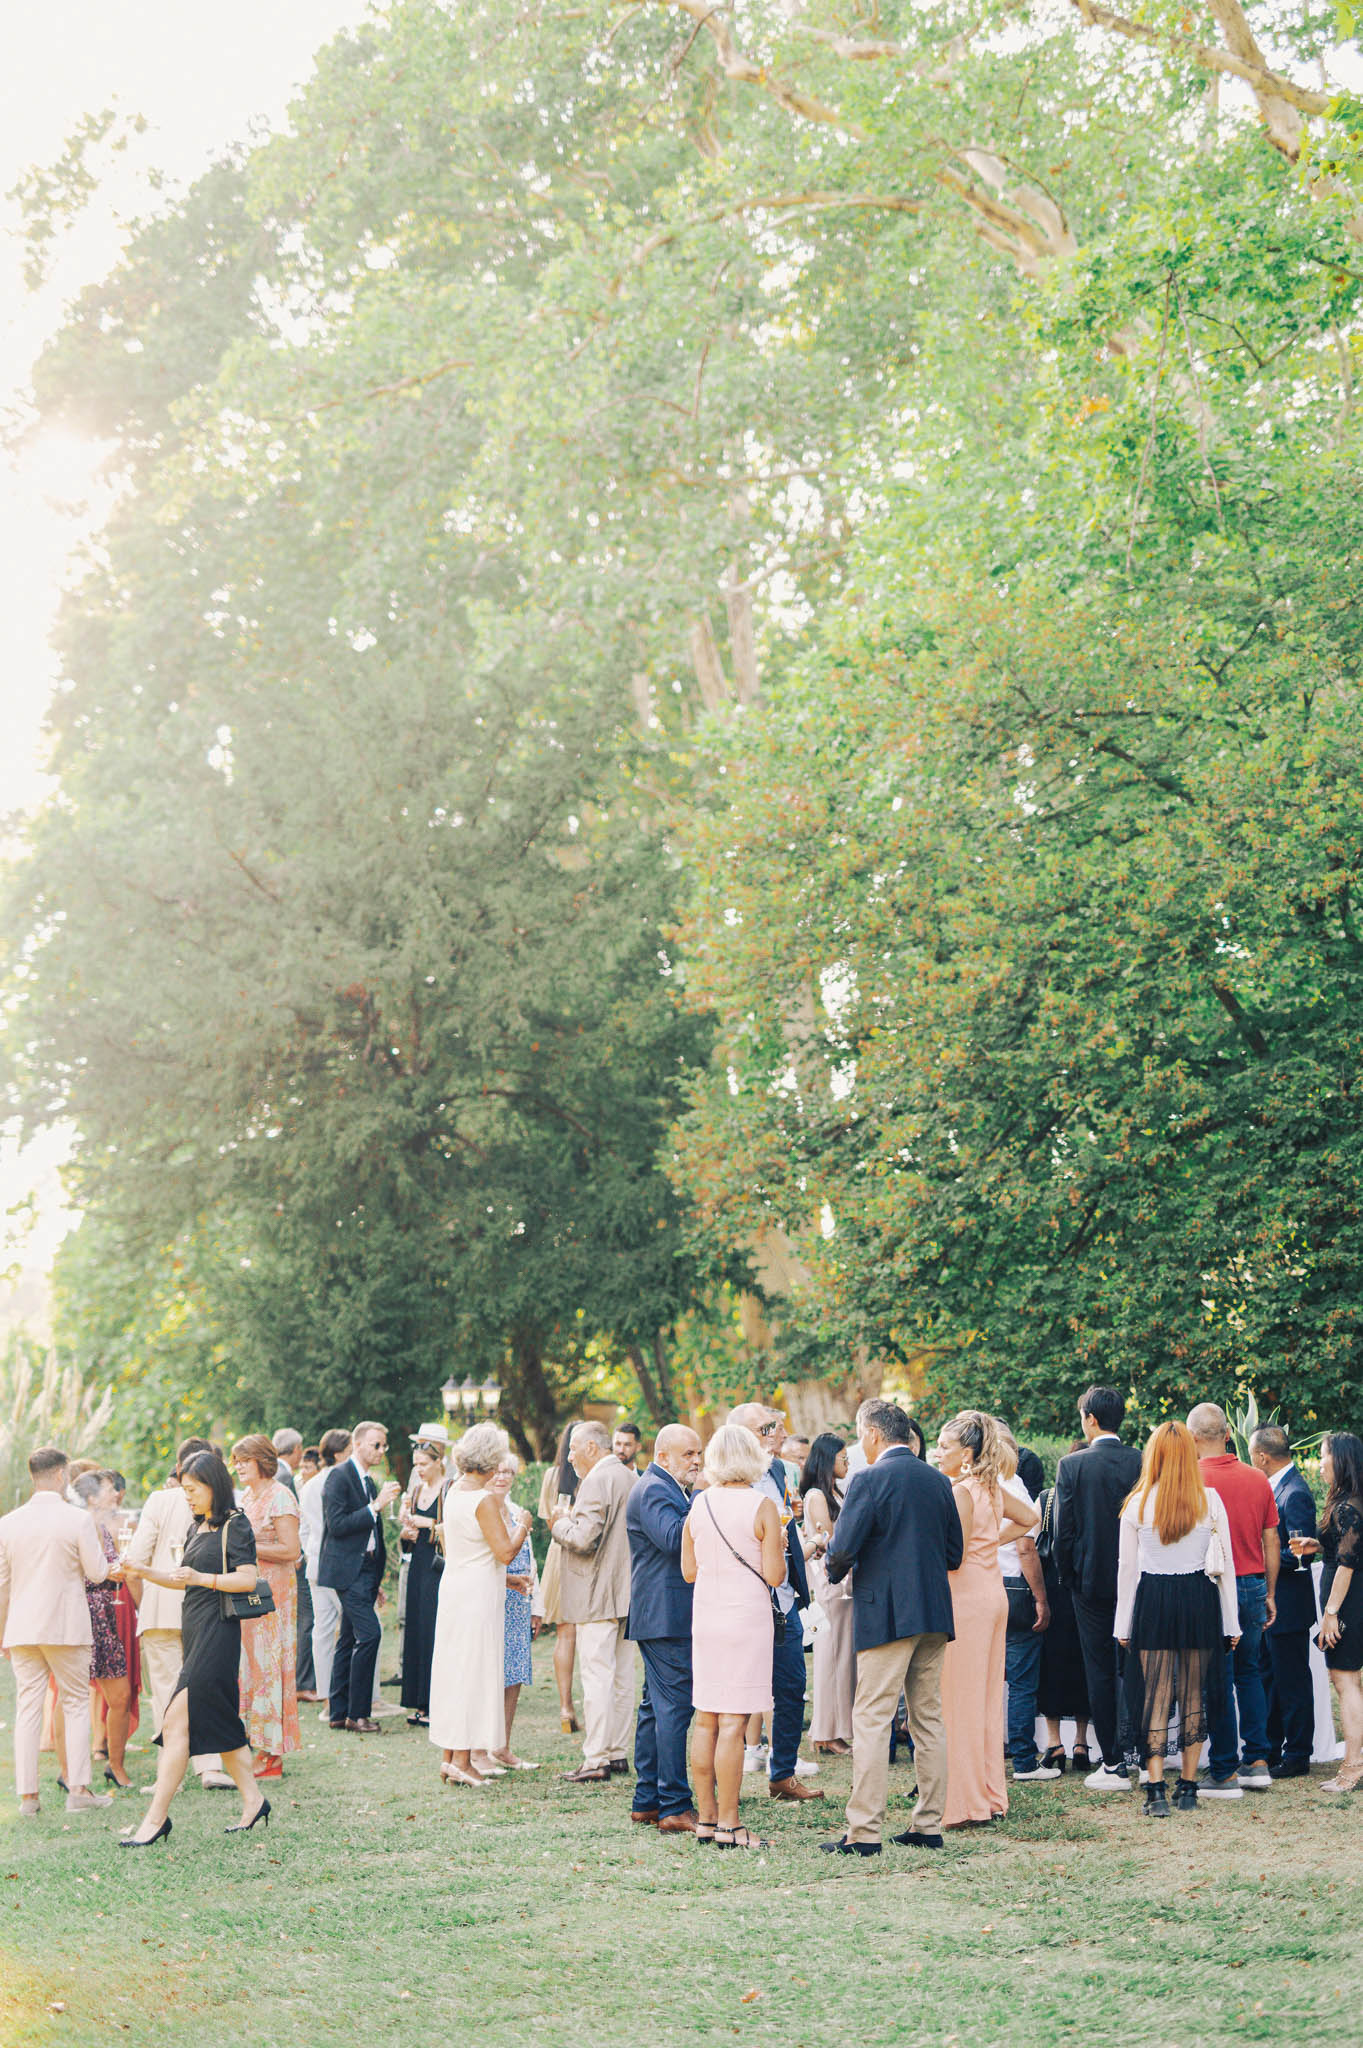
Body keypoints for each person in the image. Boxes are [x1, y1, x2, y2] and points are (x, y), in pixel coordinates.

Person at [821, 1399, 964, 1855]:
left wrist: (831, 1567)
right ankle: (927, 1824)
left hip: (885, 1612)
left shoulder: (869, 1479)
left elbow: (842, 1549)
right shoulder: (938, 1480)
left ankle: (864, 1832)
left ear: (873, 1434)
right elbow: (954, 1554)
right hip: (933, 1613)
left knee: (871, 1719)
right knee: (929, 1718)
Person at [115, 1450, 270, 1845]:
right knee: (220, 1722)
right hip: (196, 1628)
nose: (187, 1497)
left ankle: (155, 1819)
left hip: (219, 1632)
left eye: (192, 1490)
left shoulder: (236, 1525)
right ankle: (254, 1801)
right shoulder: (196, 1526)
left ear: (212, 1485)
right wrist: (143, 1571)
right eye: (183, 1490)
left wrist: (205, 1577)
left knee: (176, 1721)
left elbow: (248, 1579)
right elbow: (183, 1579)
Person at [1115, 1421, 1238, 1817]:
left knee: (1155, 1695)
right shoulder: (1211, 1501)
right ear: (1190, 1454)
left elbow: (1127, 1571)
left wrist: (1122, 1625)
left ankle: (1155, 1789)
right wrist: (1231, 1623)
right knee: (1194, 1694)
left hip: (1154, 1600)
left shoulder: (1137, 1504)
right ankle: (1187, 1787)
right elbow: (1226, 1568)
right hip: (1199, 1599)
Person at [682, 1423, 786, 1849]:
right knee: (734, 1722)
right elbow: (776, 1575)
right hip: (745, 1619)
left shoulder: (698, 1504)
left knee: (705, 1718)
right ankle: (730, 1824)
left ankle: (706, 1819)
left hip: (706, 1616)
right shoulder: (762, 1505)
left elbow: (689, 1571)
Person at [0, 1445, 114, 1818]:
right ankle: (78, 1789)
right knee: (76, 1702)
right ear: (62, 1474)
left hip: (22, 1627)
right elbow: (98, 1573)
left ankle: (28, 1798)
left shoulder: (8, 1522)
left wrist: (3, 1631)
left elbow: (3, 1585)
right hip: (66, 1626)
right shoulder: (77, 1519)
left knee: (28, 1708)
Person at [936, 1411, 1037, 1827]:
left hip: (967, 1599)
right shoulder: (990, 1486)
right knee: (985, 1699)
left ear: (967, 1453)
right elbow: (1030, 1519)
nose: (937, 1453)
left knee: (960, 1701)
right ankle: (990, 1794)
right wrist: (989, 1542)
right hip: (992, 1594)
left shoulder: (961, 1491)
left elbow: (953, 1556)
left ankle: (965, 1804)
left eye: (944, 1447)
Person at [125, 1435, 232, 1789]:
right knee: (205, 1686)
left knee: (168, 1692)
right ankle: (210, 1767)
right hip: (206, 1607)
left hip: (162, 1609)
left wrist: (145, 1602)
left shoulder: (159, 1500)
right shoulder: (221, 1503)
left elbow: (137, 1559)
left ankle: (169, 1774)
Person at [728, 1402, 822, 1803]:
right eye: (767, 1428)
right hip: (743, 1601)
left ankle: (782, 1774)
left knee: (791, 1687)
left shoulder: (782, 1471)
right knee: (734, 1693)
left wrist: (796, 1525)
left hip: (784, 1600)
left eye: (777, 1427)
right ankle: (723, 1779)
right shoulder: (726, 1481)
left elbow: (783, 1525)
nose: (777, 1435)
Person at [427, 1424, 532, 1786]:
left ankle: (451, 1758)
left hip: (458, 1589)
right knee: (472, 1676)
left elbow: (469, 1552)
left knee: (457, 1674)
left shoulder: (455, 1490)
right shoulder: (483, 1500)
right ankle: (464, 1762)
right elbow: (504, 1550)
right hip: (476, 1599)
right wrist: (524, 1526)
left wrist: (508, 1579)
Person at [1054, 1386, 1143, 1790]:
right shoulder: (1142, 1461)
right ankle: (1140, 1752)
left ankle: (1112, 1760)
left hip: (1089, 1584)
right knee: (1137, 1666)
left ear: (1090, 1419)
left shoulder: (1072, 1465)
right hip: (1140, 1580)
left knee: (1100, 1671)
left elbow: (1063, 1533)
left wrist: (1069, 1577)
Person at [1188, 1402, 1278, 1797]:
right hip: (1252, 1583)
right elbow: (1270, 1538)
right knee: (1250, 1673)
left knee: (1217, 1680)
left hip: (1210, 1588)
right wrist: (1270, 1590)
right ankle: (1257, 1760)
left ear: (1193, 1439)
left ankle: (1223, 1768)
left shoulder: (1189, 1480)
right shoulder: (1257, 1478)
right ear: (1228, 1434)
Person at [549, 1421, 638, 1782]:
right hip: (625, 1592)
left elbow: (584, 1538)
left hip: (596, 1592)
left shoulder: (598, 1480)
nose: (568, 1457)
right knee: (622, 1675)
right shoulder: (630, 1477)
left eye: (572, 1449)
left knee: (597, 1674)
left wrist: (559, 1524)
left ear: (590, 1448)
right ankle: (617, 1751)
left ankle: (596, 1758)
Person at [626, 1423, 703, 1832]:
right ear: (663, 1457)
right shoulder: (655, 1488)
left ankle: (647, 1800)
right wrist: (705, 1501)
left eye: (698, 1453)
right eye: (688, 1454)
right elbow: (674, 1539)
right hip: (664, 1614)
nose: (696, 1461)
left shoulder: (670, 1488)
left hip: (663, 1613)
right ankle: (674, 1805)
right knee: (673, 1708)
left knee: (655, 1709)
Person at [318, 1420, 401, 1734]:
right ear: (358, 1444)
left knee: (349, 1639)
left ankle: (339, 1712)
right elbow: (337, 1525)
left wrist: (376, 1579)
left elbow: (372, 1535)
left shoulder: (369, 1481)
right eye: (376, 1444)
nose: (381, 1450)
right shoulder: (339, 1477)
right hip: (346, 1570)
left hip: (366, 1571)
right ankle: (358, 1713)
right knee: (371, 1635)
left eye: (383, 1445)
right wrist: (376, 1506)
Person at [1291, 1431, 1363, 1794]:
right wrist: (1318, 1544)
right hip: (1348, 1597)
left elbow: (1348, 1565)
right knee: (1350, 1681)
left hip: (1347, 1601)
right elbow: (1345, 1549)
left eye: (1324, 1456)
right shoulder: (1351, 1502)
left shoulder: (1349, 1506)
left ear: (1341, 1460)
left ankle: (1352, 1769)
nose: (1320, 1463)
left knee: (1345, 1680)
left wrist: (1331, 1613)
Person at [1249, 1424, 1320, 1780]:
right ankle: (1272, 1747)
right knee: (1269, 1678)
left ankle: (1298, 1754)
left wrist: (1262, 1559)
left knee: (1291, 1681)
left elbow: (1303, 1554)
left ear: (1262, 1456)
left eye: (1251, 1455)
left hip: (1289, 1605)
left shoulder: (1294, 1494)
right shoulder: (1276, 1490)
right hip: (1272, 1603)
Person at [231, 1435, 302, 1780]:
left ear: (262, 1460)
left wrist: (251, 1548)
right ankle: (253, 1741)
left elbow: (291, 1550)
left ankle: (272, 1753)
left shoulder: (280, 1497)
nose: (239, 1466)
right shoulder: (246, 1497)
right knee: (251, 1669)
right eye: (236, 1461)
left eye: (244, 1460)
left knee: (270, 1670)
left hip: (274, 1599)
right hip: (249, 1596)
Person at [65, 1472, 136, 1793]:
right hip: (78, 1614)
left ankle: (116, 1766)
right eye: (109, 1490)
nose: (115, 1495)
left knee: (119, 1696)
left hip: (105, 1615)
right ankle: (68, 1772)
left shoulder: (106, 1528)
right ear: (92, 1497)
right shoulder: (72, 1526)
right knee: (68, 1698)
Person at [996, 1429, 1056, 1783]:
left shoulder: (981, 1490)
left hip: (988, 1584)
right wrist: (1041, 1599)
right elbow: (1025, 1549)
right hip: (1017, 1587)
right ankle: (1023, 1758)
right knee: (1021, 1681)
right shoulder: (1016, 1491)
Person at [480, 1451, 540, 1770]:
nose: (503, 1477)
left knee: (513, 1674)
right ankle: (481, 1746)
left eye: (509, 1472)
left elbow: (531, 1561)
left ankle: (503, 1745)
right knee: (488, 1674)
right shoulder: (483, 1510)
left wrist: (537, 1606)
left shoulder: (518, 1512)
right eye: (498, 1471)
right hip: (490, 1601)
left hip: (519, 1602)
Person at [1036, 1447, 1094, 1772]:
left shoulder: (1047, 1498)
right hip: (1087, 1589)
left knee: (1052, 1666)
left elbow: (1031, 1545)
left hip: (1053, 1589)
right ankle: (1082, 1742)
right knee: (1087, 1665)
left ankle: (1054, 1742)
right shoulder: (1100, 1499)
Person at [799, 1433, 855, 1756]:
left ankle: (837, 1727)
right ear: (827, 1459)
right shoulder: (817, 1495)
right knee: (829, 1655)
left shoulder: (836, 1490)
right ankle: (825, 1731)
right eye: (842, 1458)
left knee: (843, 1656)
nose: (847, 1463)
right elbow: (828, 1539)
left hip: (846, 1584)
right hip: (830, 1586)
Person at [399, 1426, 448, 1727]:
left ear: (439, 1461)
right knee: (415, 1627)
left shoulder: (448, 1489)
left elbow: (450, 1527)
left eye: (424, 1464)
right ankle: (418, 1701)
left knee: (433, 1628)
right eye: (416, 1465)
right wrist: (407, 1532)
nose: (419, 1470)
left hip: (438, 1566)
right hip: (417, 1562)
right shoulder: (416, 1491)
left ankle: (436, 1702)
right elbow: (410, 1534)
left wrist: (425, 1523)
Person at [300, 1428, 350, 1710]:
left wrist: (311, 1553)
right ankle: (352, 1695)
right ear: (341, 1453)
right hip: (337, 1565)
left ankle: (326, 1693)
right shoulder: (341, 1481)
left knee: (322, 1629)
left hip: (316, 1563)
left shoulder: (309, 1485)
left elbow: (304, 1530)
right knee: (356, 1628)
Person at [537, 1422, 581, 1733]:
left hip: (559, 1551)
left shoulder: (552, 1476)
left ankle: (565, 1707)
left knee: (566, 1634)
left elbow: (547, 1519)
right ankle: (585, 1705)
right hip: (586, 1554)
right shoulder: (595, 1475)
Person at [272, 1426, 317, 1700]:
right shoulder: (285, 1476)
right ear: (297, 1450)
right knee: (306, 1618)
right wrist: (298, 1555)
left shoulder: (276, 1473)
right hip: (292, 1559)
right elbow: (292, 1521)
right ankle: (303, 1682)